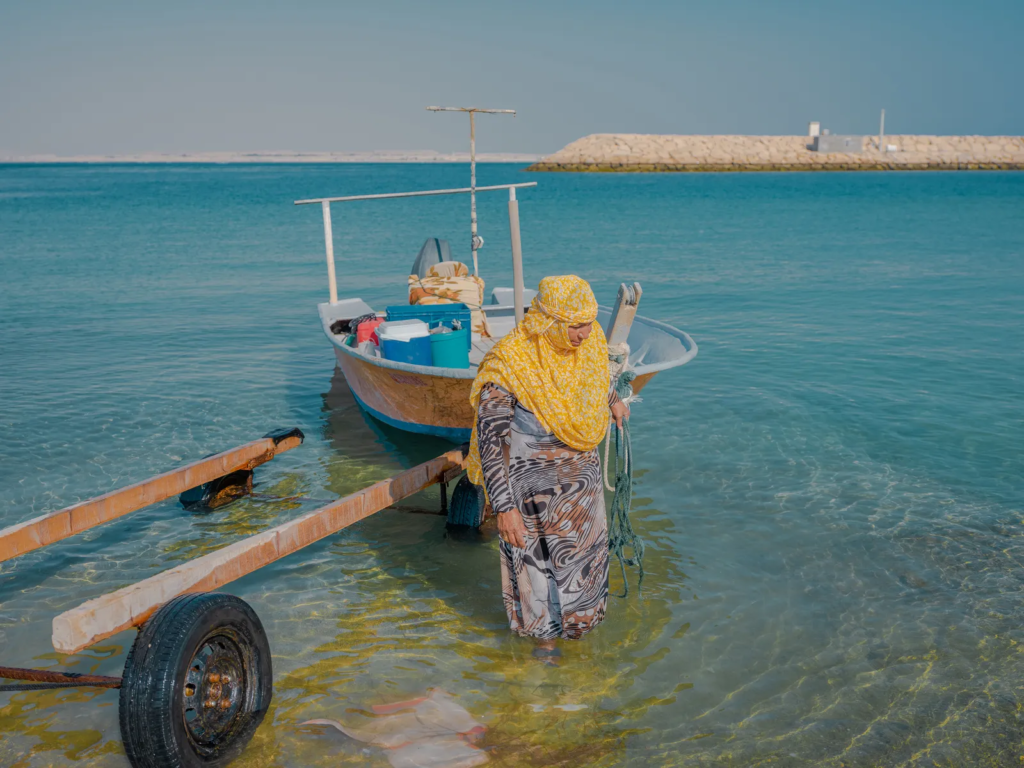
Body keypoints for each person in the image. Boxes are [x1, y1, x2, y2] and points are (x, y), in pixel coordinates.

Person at [467, 275, 629, 662]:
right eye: (575, 325)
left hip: (581, 496)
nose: (585, 333)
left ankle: (584, 647)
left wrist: (612, 400)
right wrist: (503, 509)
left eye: (589, 322)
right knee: (538, 574)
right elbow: (490, 443)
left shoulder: (589, 345)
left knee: (585, 567)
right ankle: (544, 655)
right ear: (549, 321)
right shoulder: (511, 363)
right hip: (532, 500)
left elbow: (592, 379)